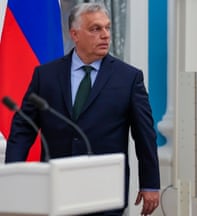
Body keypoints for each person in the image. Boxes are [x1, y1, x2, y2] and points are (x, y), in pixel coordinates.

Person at [5, 2, 160, 216]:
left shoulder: (129, 78)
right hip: (55, 189)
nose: (105, 35)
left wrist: (150, 183)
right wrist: (12, 176)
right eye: (96, 29)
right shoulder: (46, 75)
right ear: (75, 34)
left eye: (107, 28)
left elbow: (145, 135)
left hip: (105, 190)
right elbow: (23, 129)